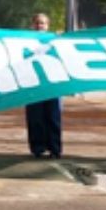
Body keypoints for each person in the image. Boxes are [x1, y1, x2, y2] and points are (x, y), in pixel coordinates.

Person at [24, 12, 62, 159]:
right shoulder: (24, 42)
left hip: (52, 84)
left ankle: (55, 149)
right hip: (32, 84)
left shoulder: (55, 41)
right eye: (37, 23)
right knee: (35, 118)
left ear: (48, 25)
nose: (40, 26)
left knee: (53, 117)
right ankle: (38, 148)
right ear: (32, 25)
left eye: (43, 23)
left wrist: (61, 39)